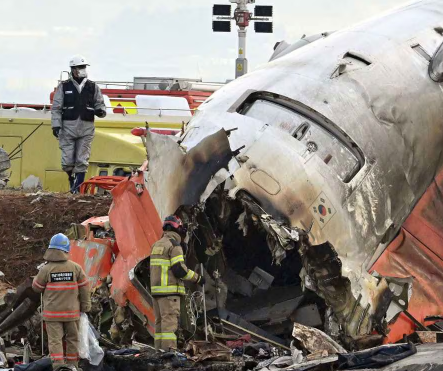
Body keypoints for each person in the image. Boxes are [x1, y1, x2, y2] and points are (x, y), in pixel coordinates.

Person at [32, 233, 91, 369]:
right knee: (72, 340)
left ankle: (58, 367)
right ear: (66, 250)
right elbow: (84, 289)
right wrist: (85, 306)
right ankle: (72, 366)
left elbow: (36, 288)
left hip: (52, 315)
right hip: (72, 313)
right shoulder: (76, 268)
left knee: (55, 341)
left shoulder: (46, 269)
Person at [51, 55, 107, 193]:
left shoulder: (93, 87)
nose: (82, 70)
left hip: (86, 127)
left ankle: (78, 187)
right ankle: (71, 180)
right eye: (80, 67)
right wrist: (56, 126)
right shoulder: (64, 87)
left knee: (82, 159)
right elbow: (56, 108)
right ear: (73, 70)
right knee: (67, 161)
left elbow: (100, 104)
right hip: (67, 127)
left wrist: (101, 111)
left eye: (84, 67)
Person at [150, 215, 205, 351]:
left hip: (156, 292)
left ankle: (159, 352)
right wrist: (198, 278)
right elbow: (179, 269)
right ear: (178, 229)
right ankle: (169, 353)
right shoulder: (174, 246)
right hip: (169, 293)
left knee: (160, 325)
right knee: (169, 326)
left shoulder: (157, 244)